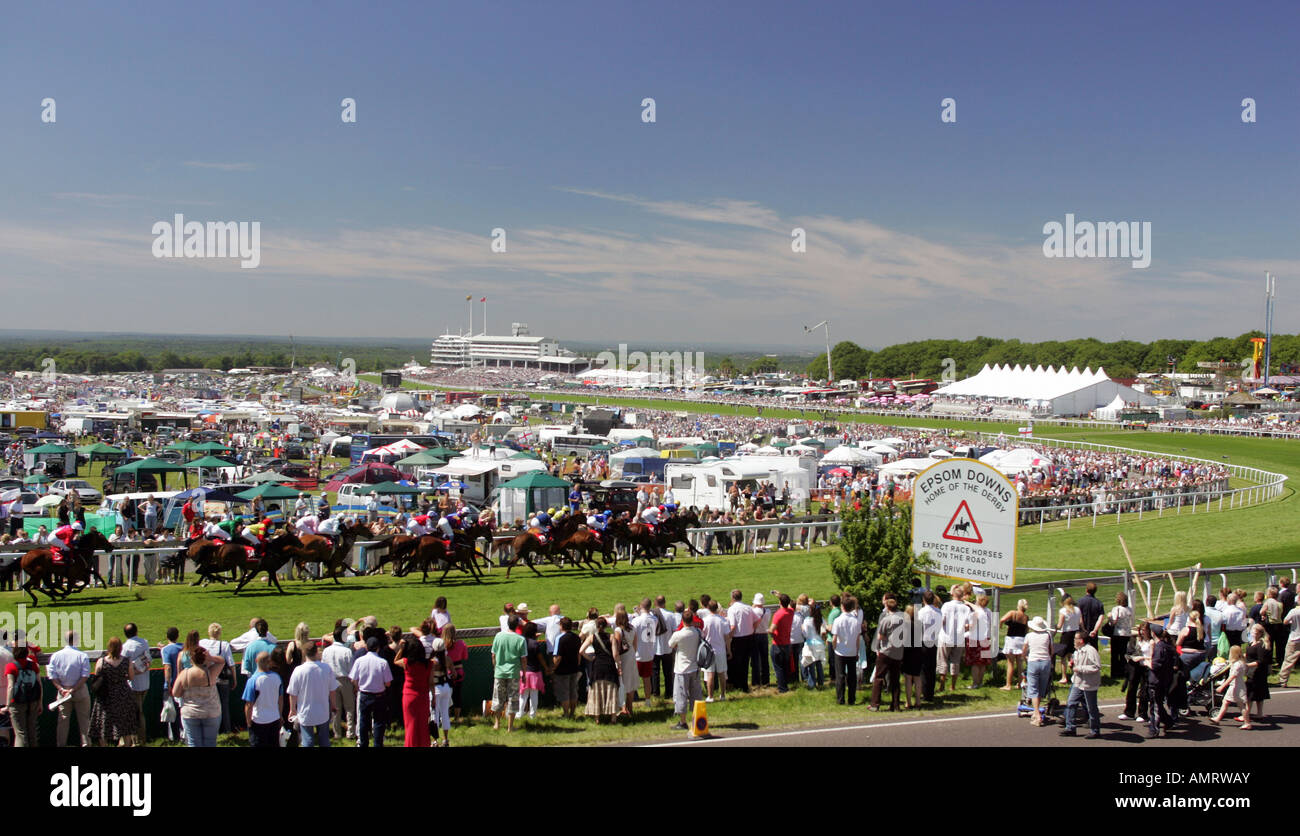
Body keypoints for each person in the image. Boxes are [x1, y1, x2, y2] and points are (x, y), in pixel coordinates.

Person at [171, 645, 225, 747]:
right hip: (211, 713)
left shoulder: (184, 674)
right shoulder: (211, 672)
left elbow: (175, 693)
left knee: (193, 743)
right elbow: (222, 661)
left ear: (191, 659)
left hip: (190, 714)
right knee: (210, 743)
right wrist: (211, 658)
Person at [88, 638, 136, 747]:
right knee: (125, 725)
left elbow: (97, 677)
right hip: (123, 694)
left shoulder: (102, 661)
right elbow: (131, 677)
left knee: (103, 723)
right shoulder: (126, 661)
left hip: (106, 694)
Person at [48, 630, 92, 747]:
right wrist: (73, 689)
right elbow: (85, 675)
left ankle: (61, 744)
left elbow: (52, 676)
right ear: (76, 640)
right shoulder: (82, 655)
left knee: (63, 721)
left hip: (63, 693)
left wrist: (61, 689)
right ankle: (86, 744)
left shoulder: (56, 656)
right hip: (80, 690)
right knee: (84, 721)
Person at [350, 636, 393, 747]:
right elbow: (388, 683)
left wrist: (357, 687)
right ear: (378, 648)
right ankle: (378, 744)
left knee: (364, 721)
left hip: (364, 694)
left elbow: (353, 679)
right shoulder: (382, 662)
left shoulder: (360, 661)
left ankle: (363, 743)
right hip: (379, 695)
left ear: (367, 648)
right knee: (379, 722)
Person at [1060, 631, 1102, 738]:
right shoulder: (1077, 651)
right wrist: (1072, 663)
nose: (1074, 641)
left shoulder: (1091, 651)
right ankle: (1070, 728)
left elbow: (1096, 667)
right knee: (1071, 703)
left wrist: (1080, 668)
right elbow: (1077, 661)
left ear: (1081, 640)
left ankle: (1095, 730)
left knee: (1091, 707)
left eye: (1075, 639)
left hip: (1089, 684)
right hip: (1077, 682)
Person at [667, 607, 702, 730]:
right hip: (694, 667)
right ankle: (697, 719)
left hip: (682, 669)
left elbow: (670, 644)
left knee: (681, 695)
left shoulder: (678, 634)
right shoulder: (697, 632)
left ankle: (683, 722)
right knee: (696, 695)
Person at [198, 623, 237, 735]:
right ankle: (226, 730)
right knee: (224, 705)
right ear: (219, 633)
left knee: (208, 705)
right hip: (222, 680)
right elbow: (231, 664)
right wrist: (234, 679)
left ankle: (211, 730)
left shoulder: (202, 643)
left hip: (207, 679)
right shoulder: (224, 645)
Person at [394, 634, 431, 747]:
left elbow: (395, 660)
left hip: (409, 697)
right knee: (423, 724)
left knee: (410, 725)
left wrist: (401, 649)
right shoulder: (429, 664)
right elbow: (430, 682)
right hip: (423, 696)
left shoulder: (406, 662)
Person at [490, 615, 526, 732]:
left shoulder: (498, 636)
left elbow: (493, 654)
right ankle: (510, 727)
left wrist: (495, 667)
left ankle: (497, 723)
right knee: (513, 699)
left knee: (498, 698)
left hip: (499, 672)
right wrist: (524, 673)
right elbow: (523, 659)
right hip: (514, 673)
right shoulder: (520, 639)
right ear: (517, 625)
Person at [582, 617, 620, 723]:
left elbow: (581, 651)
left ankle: (597, 717)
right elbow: (615, 654)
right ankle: (613, 717)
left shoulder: (592, 637)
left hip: (597, 665)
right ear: (606, 626)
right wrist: (619, 666)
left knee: (596, 691)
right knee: (611, 689)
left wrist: (591, 658)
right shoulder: (611, 637)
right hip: (609, 665)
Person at [3, 643, 42, 747]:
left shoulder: (11, 666)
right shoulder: (34, 665)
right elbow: (39, 684)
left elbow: (11, 686)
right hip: (33, 701)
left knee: (20, 733)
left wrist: (7, 705)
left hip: (17, 702)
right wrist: (40, 703)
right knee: (32, 731)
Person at [870, 594, 905, 711]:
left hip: (886, 650)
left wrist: (877, 649)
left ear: (888, 608)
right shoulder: (903, 619)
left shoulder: (886, 620)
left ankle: (875, 704)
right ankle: (895, 704)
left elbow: (880, 636)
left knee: (879, 677)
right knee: (895, 679)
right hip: (898, 651)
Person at [243, 651, 284, 748]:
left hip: (258, 721)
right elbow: (280, 699)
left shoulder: (253, 680)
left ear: (256, 661)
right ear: (269, 662)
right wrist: (280, 715)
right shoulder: (277, 677)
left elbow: (249, 705)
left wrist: (249, 722)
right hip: (274, 718)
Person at [1209, 646, 1252, 730]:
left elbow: (1232, 677)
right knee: (1226, 702)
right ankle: (1218, 718)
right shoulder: (1241, 663)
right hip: (1238, 685)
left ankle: (1247, 723)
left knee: (1240, 705)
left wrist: (1222, 686)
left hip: (1235, 686)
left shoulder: (1237, 665)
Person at [121, 623, 151, 744]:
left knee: (137, 713)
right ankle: (137, 740)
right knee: (137, 712)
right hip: (145, 683)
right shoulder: (144, 642)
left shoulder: (125, 647)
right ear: (136, 631)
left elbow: (123, 665)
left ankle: (138, 740)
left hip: (133, 685)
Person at [1118, 622, 1154, 723]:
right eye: (1141, 630)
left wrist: (1142, 657)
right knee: (1132, 688)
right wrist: (1133, 658)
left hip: (1146, 667)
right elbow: (1129, 652)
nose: (1142, 632)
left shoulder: (1151, 642)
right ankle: (1129, 712)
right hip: (1135, 667)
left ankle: (1143, 713)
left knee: (1144, 691)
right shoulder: (1136, 640)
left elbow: (1153, 656)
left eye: (1145, 630)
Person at [831, 595, 863, 705]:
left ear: (842, 607)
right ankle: (851, 699)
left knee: (840, 676)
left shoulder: (838, 620)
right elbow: (858, 638)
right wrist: (857, 650)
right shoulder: (856, 621)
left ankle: (840, 699)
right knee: (852, 676)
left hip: (840, 651)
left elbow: (834, 637)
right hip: (852, 650)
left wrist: (834, 647)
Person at [1146, 624, 1176, 739]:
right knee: (1158, 703)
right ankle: (1168, 721)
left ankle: (1154, 729)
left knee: (1154, 706)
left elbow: (1155, 665)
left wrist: (1146, 662)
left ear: (1153, 633)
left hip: (1156, 680)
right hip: (1165, 679)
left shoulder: (1159, 647)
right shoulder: (1168, 646)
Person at [937, 585, 969, 693]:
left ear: (953, 594)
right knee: (955, 661)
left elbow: (942, 620)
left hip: (946, 636)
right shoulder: (966, 608)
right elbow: (968, 624)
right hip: (959, 638)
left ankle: (942, 684)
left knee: (943, 660)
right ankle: (953, 685)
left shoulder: (947, 605)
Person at [517, 621, 551, 722]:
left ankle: (519, 713)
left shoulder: (521, 641)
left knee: (523, 695)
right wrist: (546, 667)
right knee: (534, 695)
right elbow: (540, 658)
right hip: (535, 672)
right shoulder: (535, 644)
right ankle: (532, 714)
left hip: (523, 671)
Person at [1023, 616, 1054, 727]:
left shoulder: (1029, 636)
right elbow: (1051, 650)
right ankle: (1037, 710)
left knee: (1033, 688)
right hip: (1045, 661)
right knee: (1041, 687)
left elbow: (1025, 649)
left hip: (1033, 661)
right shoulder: (1048, 635)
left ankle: (1037, 714)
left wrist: (1025, 658)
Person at [1096, 592, 1133, 680]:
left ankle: (1115, 673)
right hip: (1127, 633)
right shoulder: (1129, 609)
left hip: (1118, 633)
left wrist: (1109, 617)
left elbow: (1113, 622)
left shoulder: (1116, 609)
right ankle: (1124, 671)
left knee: (1115, 655)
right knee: (1123, 654)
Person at [552, 617, 582, 719]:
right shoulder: (577, 637)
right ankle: (572, 713)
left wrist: (553, 667)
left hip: (562, 670)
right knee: (573, 691)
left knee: (564, 692)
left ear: (561, 626)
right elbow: (579, 654)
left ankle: (565, 714)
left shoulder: (560, 638)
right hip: (574, 668)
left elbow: (558, 656)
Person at [701, 600, 731, 701]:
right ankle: (722, 695)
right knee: (721, 673)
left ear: (708, 608)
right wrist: (729, 650)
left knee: (710, 674)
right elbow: (727, 637)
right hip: (720, 650)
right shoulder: (723, 621)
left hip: (709, 650)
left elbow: (702, 636)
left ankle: (710, 696)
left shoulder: (705, 620)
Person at [726, 589, 755, 693]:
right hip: (748, 637)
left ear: (733, 598)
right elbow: (757, 620)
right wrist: (752, 629)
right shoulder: (748, 608)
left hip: (738, 638)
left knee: (736, 662)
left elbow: (733, 626)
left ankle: (738, 684)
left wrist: (729, 636)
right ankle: (744, 685)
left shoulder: (732, 609)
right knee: (745, 662)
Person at [1244, 623, 1270, 722]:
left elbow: (1261, 661)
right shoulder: (1252, 643)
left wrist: (1247, 665)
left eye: (1253, 631)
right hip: (1252, 671)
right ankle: (1259, 713)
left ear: (1259, 633)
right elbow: (1251, 654)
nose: (1251, 633)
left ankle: (1246, 715)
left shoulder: (1261, 645)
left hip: (1257, 672)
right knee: (1258, 693)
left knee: (1250, 694)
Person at [918, 591, 941, 701]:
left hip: (924, 641)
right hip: (934, 641)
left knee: (924, 668)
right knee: (931, 668)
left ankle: (925, 692)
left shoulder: (921, 612)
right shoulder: (938, 612)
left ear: (924, 600)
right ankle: (930, 692)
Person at [443, 625, 468, 725]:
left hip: (447, 673)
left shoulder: (443, 644)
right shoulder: (461, 643)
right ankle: (457, 718)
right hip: (459, 672)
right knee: (457, 695)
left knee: (447, 697)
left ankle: (447, 717)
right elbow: (465, 657)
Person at [1055, 596, 1080, 685]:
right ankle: (1075, 675)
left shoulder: (1063, 611)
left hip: (1066, 634)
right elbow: (1081, 622)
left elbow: (1059, 625)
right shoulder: (1077, 609)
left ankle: (1064, 677)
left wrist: (1055, 627)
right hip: (1075, 633)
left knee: (1063, 657)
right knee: (1073, 655)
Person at [802, 603, 827, 690]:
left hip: (810, 644)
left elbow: (805, 634)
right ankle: (821, 682)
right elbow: (824, 631)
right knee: (819, 664)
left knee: (811, 665)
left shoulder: (807, 620)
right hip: (819, 644)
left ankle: (812, 683)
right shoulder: (822, 619)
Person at [1277, 600, 1300, 687]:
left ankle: (1283, 680)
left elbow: (1285, 621)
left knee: (1289, 660)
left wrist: (1292, 622)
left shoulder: (1293, 611)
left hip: (1294, 638)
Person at [1077, 582, 1105, 649]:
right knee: (1093, 652)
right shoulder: (1099, 603)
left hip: (1081, 632)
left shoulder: (1080, 602)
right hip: (1093, 633)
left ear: (1086, 590)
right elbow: (1100, 618)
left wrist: (1083, 629)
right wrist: (1095, 630)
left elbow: (1079, 617)